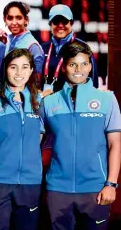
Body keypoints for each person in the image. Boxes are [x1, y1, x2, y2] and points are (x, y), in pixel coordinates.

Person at [40, 41, 120, 230]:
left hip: (96, 188)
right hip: (58, 189)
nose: (79, 69)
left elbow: (115, 144)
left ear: (91, 65)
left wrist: (111, 184)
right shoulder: (49, 102)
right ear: (64, 66)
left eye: (84, 63)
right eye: (72, 64)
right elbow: (36, 141)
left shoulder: (107, 99)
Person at [0, 49, 44, 230]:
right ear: (5, 69)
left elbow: (38, 137)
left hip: (31, 181)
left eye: (24, 67)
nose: (19, 73)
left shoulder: (39, 101)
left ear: (31, 71)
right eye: (13, 67)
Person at [41, 4, 98, 93]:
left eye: (64, 21)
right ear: (50, 24)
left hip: (72, 102)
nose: (60, 25)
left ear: (71, 23)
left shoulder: (82, 48)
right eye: (56, 21)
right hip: (46, 101)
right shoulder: (43, 48)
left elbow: (93, 82)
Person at [2, 1, 44, 79]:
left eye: (18, 18)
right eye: (10, 18)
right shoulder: (7, 39)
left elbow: (36, 81)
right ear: (4, 19)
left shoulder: (33, 46)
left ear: (26, 19)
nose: (14, 22)